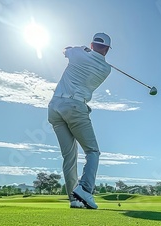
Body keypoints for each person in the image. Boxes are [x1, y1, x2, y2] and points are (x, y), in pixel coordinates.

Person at [48, 32, 112, 209]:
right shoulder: (107, 69)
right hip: (75, 107)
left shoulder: (78, 53)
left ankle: (74, 200)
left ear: (92, 45)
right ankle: (84, 189)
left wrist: (80, 48)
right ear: (107, 49)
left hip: (54, 107)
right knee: (93, 152)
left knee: (69, 156)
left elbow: (64, 50)